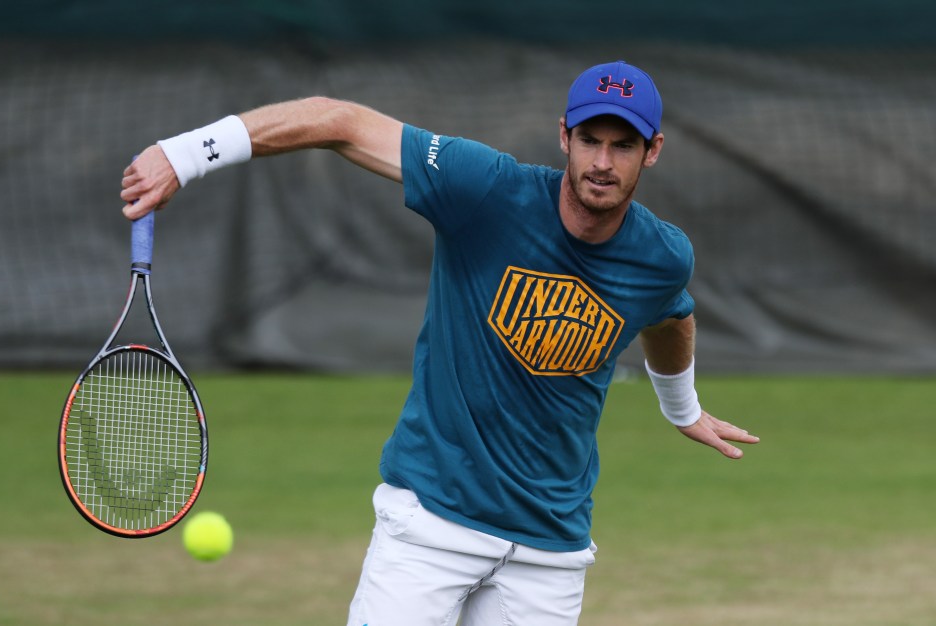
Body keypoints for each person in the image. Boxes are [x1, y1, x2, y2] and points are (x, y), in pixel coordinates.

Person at [121, 60, 759, 625]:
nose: (601, 161)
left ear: (652, 151)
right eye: (590, 139)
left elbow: (671, 319)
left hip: (551, 549)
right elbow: (335, 119)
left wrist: (682, 408)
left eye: (623, 145)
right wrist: (183, 154)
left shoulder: (663, 255)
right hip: (430, 524)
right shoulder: (484, 188)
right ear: (564, 136)